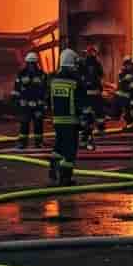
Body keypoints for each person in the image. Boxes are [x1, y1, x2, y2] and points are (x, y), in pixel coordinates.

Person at [47, 49, 84, 186]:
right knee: (70, 150)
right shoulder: (75, 80)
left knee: (59, 144)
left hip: (57, 120)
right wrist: (86, 119)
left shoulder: (53, 79)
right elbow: (81, 101)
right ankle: (65, 177)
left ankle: (53, 166)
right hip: (71, 120)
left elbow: (48, 99)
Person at [12, 52, 47, 150]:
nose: (31, 66)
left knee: (38, 124)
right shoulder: (21, 74)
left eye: (33, 63)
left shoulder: (42, 75)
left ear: (36, 63)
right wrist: (16, 101)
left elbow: (45, 89)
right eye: (29, 63)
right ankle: (22, 143)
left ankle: (38, 142)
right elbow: (16, 88)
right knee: (24, 124)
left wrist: (45, 103)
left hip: (38, 105)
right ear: (26, 63)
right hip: (25, 105)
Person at [78, 46, 105, 150]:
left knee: (95, 113)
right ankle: (90, 133)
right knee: (90, 113)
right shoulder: (85, 63)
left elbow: (101, 75)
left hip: (92, 92)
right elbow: (100, 75)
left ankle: (97, 129)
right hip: (89, 92)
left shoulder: (95, 63)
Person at [113, 54, 133, 131]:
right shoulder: (123, 72)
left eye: (130, 64)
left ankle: (131, 125)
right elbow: (121, 83)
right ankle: (128, 124)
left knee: (129, 111)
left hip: (131, 97)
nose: (129, 66)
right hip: (124, 97)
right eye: (127, 64)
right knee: (125, 111)